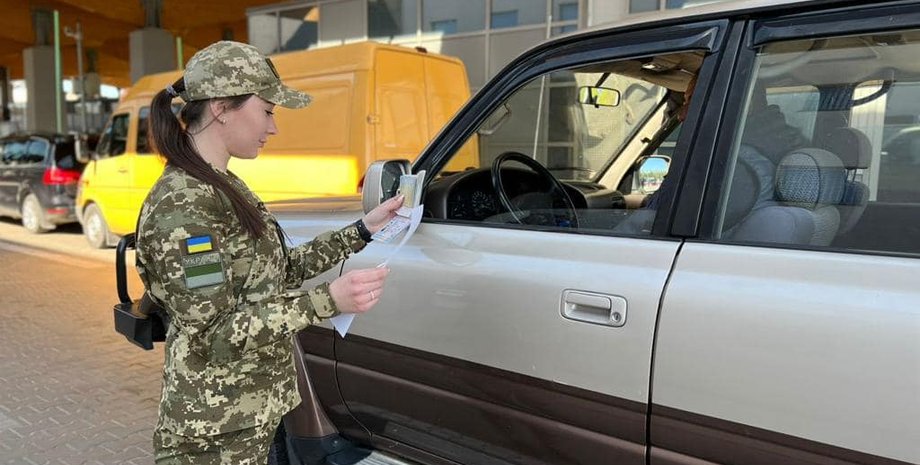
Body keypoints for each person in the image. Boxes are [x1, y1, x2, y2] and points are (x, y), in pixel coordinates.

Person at [136, 40, 404, 464]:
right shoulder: (182, 207)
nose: (273, 127)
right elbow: (214, 333)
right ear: (223, 107)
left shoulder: (222, 185)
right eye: (267, 111)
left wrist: (364, 230)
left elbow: (281, 268)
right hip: (213, 434)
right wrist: (327, 301)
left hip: (246, 418)